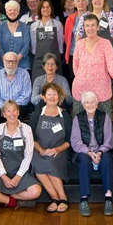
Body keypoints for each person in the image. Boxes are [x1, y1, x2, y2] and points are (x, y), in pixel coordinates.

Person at [0, 100, 42, 209]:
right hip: (1, 170)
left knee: (36, 191)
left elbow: (28, 155)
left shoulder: (26, 129)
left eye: (14, 111)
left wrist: (18, 176)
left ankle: (3, 197)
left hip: (20, 169)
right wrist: (4, 177)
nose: (11, 114)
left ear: (18, 112)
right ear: (3, 114)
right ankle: (11, 201)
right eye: (8, 111)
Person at [72, 13, 113, 118]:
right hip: (81, 90)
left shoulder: (106, 43)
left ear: (98, 27)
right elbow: (75, 66)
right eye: (87, 26)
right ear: (83, 28)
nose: (90, 28)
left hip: (101, 90)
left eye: (93, 25)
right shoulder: (79, 44)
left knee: (104, 123)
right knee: (79, 123)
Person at [70, 91, 113, 216]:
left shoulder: (105, 117)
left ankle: (108, 197)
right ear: (83, 105)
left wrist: (100, 152)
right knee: (84, 160)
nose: (90, 105)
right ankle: (84, 198)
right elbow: (76, 142)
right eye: (87, 103)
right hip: (85, 152)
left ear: (97, 103)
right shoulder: (77, 119)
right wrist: (90, 153)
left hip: (102, 151)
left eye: (92, 102)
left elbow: (109, 140)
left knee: (107, 159)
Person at [29, 82, 72, 213]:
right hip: (40, 150)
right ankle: (55, 198)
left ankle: (63, 197)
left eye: (55, 94)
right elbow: (31, 138)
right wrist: (41, 150)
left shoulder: (65, 115)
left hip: (59, 150)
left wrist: (57, 150)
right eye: (49, 94)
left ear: (59, 97)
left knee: (52, 164)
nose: (52, 97)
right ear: (43, 97)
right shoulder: (36, 115)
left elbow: (69, 140)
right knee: (38, 166)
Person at [75, 0, 113, 65]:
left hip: (106, 56)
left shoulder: (110, 16)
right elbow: (79, 35)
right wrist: (77, 54)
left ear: (104, 2)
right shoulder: (84, 16)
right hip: (87, 56)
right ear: (91, 1)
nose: (97, 0)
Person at [0, 52, 32, 132]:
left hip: (19, 105)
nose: (10, 64)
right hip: (1, 106)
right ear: (3, 62)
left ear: (17, 62)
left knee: (17, 112)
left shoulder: (24, 74)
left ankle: (16, 138)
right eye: (8, 61)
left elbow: (26, 96)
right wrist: (5, 109)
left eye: (13, 61)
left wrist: (12, 109)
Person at [30, 0, 64, 82]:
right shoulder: (34, 25)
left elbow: (60, 44)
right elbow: (34, 45)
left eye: (48, 7)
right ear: (40, 9)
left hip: (54, 60)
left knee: (56, 86)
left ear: (51, 9)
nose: (46, 9)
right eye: (43, 7)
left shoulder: (57, 24)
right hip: (39, 60)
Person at [0, 0, 31, 71]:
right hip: (2, 63)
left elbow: (26, 45)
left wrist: (16, 59)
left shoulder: (24, 27)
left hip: (22, 63)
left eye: (15, 10)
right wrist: (6, 60)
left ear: (18, 12)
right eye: (10, 10)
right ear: (6, 12)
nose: (12, 12)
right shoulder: (0, 27)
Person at [64, 0, 89, 85]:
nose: (81, 3)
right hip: (73, 55)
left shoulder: (92, 17)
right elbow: (67, 38)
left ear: (87, 3)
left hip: (89, 55)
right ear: (74, 4)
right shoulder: (70, 19)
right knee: (75, 81)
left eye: (83, 0)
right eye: (78, 1)